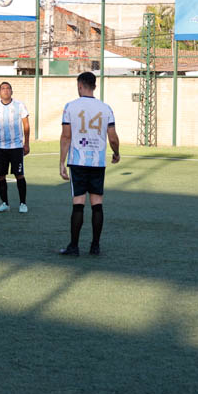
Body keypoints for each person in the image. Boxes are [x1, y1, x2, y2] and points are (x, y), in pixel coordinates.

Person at [58, 72, 120, 256]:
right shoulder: (106, 108)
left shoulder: (70, 106)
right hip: (98, 162)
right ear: (94, 86)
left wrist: (62, 162)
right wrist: (116, 152)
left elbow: (66, 136)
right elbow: (113, 137)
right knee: (97, 204)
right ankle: (95, 246)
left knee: (78, 204)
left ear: (79, 85)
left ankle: (74, 246)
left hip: (78, 161)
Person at [0, 81, 30, 213]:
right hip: (0, 147)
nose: (5, 90)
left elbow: (26, 125)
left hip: (16, 147)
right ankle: (4, 203)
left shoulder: (19, 105)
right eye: (3, 89)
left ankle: (23, 203)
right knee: (0, 176)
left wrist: (26, 143)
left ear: (11, 91)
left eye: (8, 88)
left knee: (19, 175)